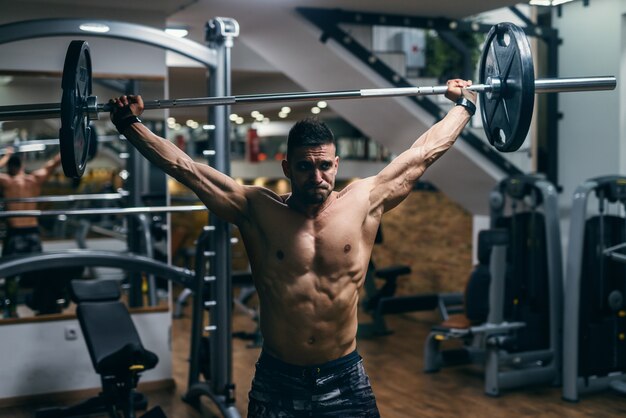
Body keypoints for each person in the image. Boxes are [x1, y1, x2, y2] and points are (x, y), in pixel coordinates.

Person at [109, 78, 477, 417]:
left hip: (344, 377)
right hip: (277, 378)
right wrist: (130, 125)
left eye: (324, 166)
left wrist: (464, 108)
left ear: (336, 164)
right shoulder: (256, 209)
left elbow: (422, 154)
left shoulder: (364, 201)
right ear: (287, 167)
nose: (316, 177)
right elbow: (185, 168)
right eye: (304, 167)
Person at [0, 148, 62, 317]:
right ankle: (42, 304)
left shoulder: (7, 181)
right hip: (32, 232)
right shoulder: (34, 179)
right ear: (22, 165)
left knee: (11, 274)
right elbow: (54, 163)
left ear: (10, 167)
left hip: (16, 233)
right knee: (39, 270)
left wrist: (5, 156)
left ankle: (11, 310)